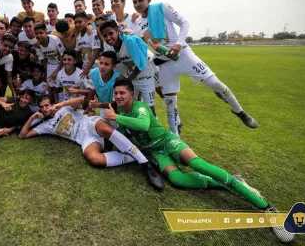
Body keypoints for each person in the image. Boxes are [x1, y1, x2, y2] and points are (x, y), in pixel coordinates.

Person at [104, 78, 293, 242]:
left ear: (132, 94)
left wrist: (116, 117)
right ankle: (231, 181)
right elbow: (122, 135)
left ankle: (269, 209)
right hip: (158, 152)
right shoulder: (118, 110)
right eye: (116, 93)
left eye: (123, 93)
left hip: (168, 141)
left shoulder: (140, 107)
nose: (119, 96)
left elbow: (143, 125)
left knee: (197, 164)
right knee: (178, 180)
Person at [131, 0, 258, 134]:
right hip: (165, 64)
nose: (138, 4)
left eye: (141, 0)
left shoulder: (162, 7)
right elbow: (144, 42)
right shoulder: (137, 23)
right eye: (134, 2)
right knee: (170, 103)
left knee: (215, 83)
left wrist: (178, 43)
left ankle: (239, 111)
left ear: (149, 0)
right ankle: (177, 140)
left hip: (183, 55)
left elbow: (184, 23)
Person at [19, 95, 163, 190]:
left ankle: (144, 163)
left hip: (89, 123)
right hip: (84, 139)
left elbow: (82, 101)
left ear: (52, 104)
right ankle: (138, 154)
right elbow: (23, 135)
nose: (45, 108)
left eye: (47, 105)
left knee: (104, 128)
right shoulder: (45, 126)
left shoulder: (64, 107)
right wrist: (32, 118)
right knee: (94, 158)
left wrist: (60, 104)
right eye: (42, 107)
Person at [99, 20, 157, 116]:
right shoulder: (107, 45)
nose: (108, 38)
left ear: (117, 31)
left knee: (149, 109)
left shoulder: (129, 40)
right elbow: (113, 63)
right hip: (130, 78)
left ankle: (156, 129)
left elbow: (141, 64)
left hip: (145, 77)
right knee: (129, 107)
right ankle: (133, 130)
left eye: (111, 33)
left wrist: (128, 80)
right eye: (105, 36)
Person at [86, 51, 120, 126]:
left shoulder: (118, 79)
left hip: (115, 110)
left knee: (112, 128)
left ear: (113, 66)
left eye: (106, 64)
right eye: (101, 63)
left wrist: (98, 105)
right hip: (101, 107)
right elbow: (91, 92)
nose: (102, 66)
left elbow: (116, 104)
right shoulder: (93, 72)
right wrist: (90, 110)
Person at [34, 23, 65, 102]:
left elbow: (63, 56)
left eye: (41, 33)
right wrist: (46, 73)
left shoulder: (54, 39)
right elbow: (43, 60)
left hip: (61, 64)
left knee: (59, 87)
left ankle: (61, 103)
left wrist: (56, 71)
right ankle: (52, 104)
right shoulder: (37, 45)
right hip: (50, 65)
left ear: (46, 32)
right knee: (50, 87)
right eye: (36, 33)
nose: (39, 35)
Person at [74, 12, 101, 78]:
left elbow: (96, 51)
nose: (77, 24)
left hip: (95, 69)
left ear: (86, 21)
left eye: (80, 22)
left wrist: (87, 69)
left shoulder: (92, 33)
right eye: (75, 22)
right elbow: (77, 54)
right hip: (84, 70)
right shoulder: (78, 37)